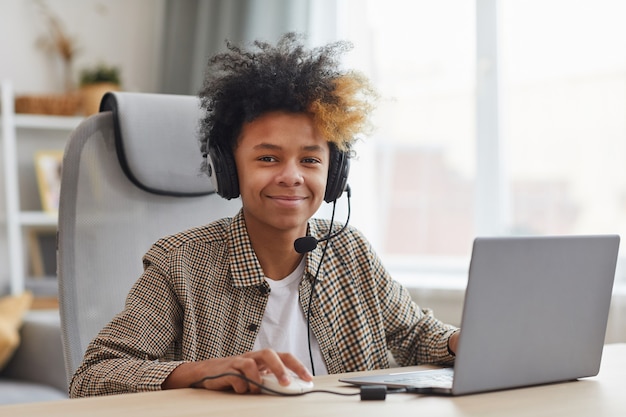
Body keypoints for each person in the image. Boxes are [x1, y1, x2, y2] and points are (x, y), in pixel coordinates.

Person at [69, 32, 460, 398]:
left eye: (310, 159)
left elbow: (415, 335)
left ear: (335, 173)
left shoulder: (350, 251)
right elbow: (93, 376)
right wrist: (203, 371)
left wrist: (462, 340)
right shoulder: (181, 263)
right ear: (228, 168)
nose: (291, 176)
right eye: (268, 157)